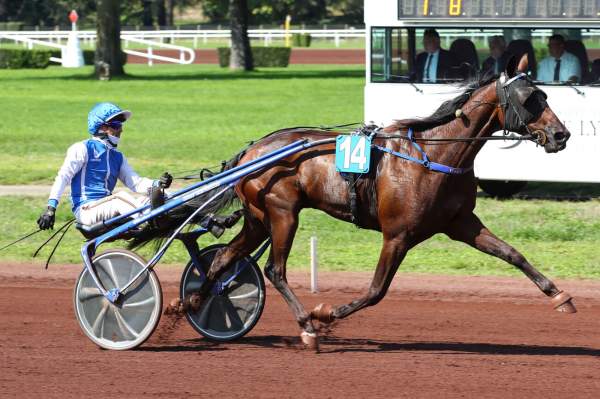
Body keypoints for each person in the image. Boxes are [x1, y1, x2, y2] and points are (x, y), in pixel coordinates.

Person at [36, 102, 172, 230]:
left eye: (121, 125)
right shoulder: (82, 148)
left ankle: (176, 213)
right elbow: (63, 177)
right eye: (116, 125)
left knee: (152, 197)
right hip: (87, 209)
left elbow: (136, 183)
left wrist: (159, 184)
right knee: (121, 197)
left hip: (108, 206)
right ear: (101, 127)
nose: (121, 130)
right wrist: (51, 209)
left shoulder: (118, 157)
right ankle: (152, 220)